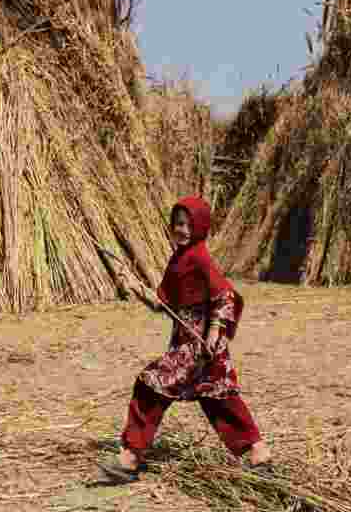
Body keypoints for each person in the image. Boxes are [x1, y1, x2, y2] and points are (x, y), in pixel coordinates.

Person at [99, 195, 274, 483]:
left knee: (151, 386)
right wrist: (134, 288)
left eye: (187, 224)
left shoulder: (199, 257)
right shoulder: (180, 259)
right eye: (177, 223)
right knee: (217, 398)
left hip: (198, 348)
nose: (180, 229)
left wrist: (214, 334)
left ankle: (129, 458)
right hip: (189, 344)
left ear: (200, 226)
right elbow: (162, 303)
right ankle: (258, 452)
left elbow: (224, 295)